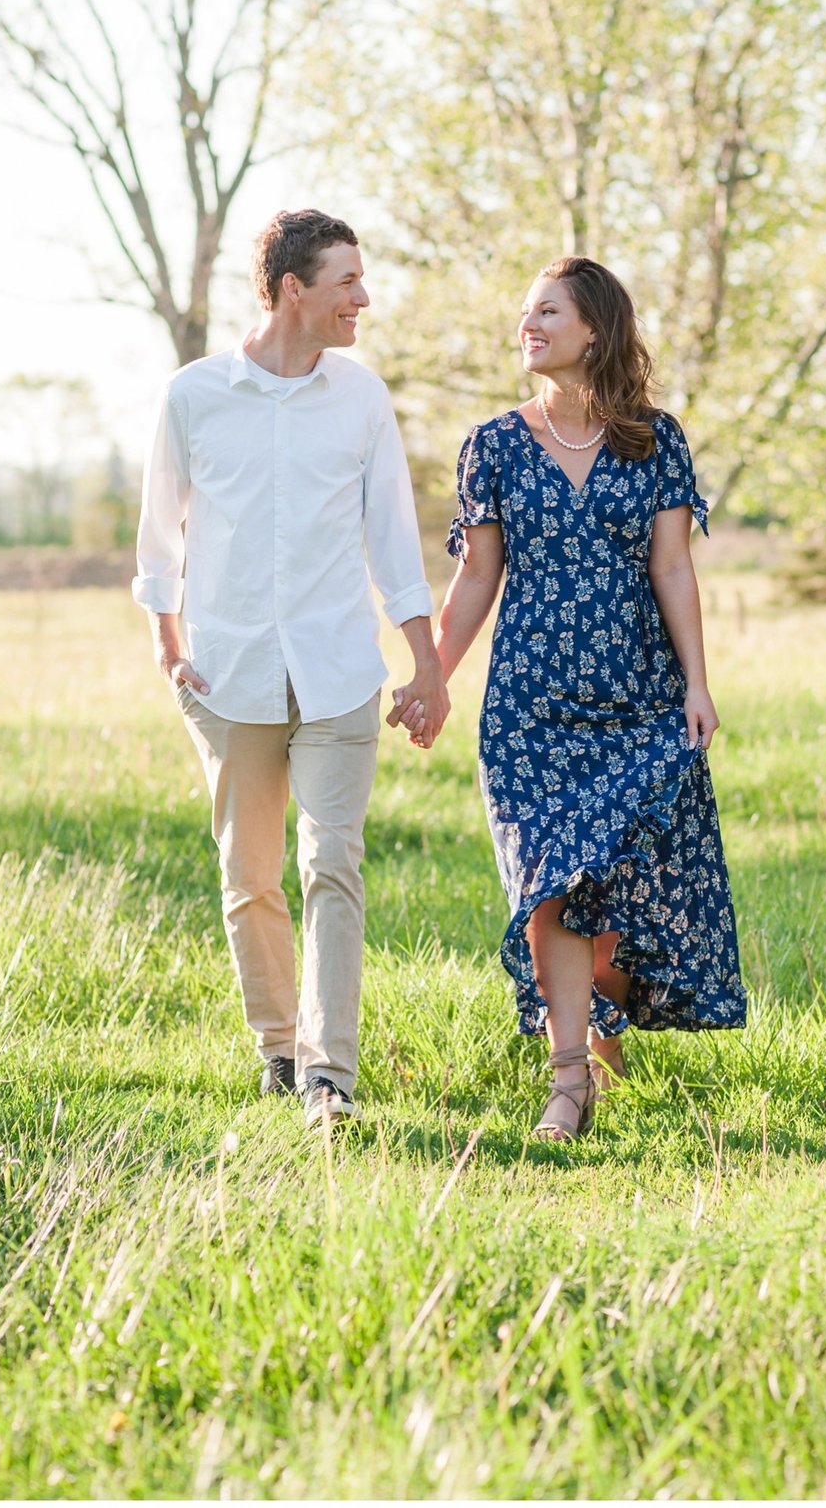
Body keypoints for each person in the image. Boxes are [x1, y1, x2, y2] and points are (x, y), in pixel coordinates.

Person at [132, 208, 449, 1129]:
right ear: (290, 291)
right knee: (251, 873)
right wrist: (168, 645)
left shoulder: (362, 399)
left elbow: (394, 541)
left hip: (340, 672)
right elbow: (160, 536)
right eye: (347, 280)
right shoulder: (194, 396)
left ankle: (329, 1075)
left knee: (333, 862)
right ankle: (278, 1045)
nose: (364, 296)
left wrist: (425, 666)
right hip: (228, 672)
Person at [430, 256, 746, 1141]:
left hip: (637, 697)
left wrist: (696, 681)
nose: (527, 325)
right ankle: (567, 1081)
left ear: (595, 331)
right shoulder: (493, 444)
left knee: (608, 884)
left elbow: (673, 566)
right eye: (525, 312)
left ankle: (599, 1025)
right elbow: (475, 577)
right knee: (547, 886)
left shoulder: (656, 439)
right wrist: (430, 675)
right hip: (529, 709)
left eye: (547, 312)